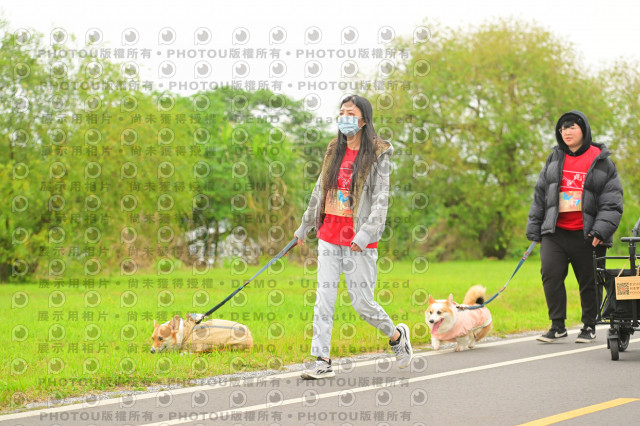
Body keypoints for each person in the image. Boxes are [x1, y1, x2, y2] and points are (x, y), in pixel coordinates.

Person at [293, 94, 412, 379]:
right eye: (342, 112)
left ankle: (396, 336)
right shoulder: (334, 149)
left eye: (351, 113)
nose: (344, 117)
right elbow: (319, 191)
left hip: (360, 241)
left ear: (363, 120)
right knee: (324, 299)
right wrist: (305, 226)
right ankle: (322, 360)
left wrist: (365, 234)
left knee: (362, 303)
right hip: (329, 235)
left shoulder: (378, 154)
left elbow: (381, 202)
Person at [526, 110, 623, 343]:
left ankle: (589, 325)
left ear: (584, 129)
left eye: (571, 127)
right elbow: (540, 195)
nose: (566, 132)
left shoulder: (602, 161)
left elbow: (612, 201)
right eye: (562, 128)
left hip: (588, 234)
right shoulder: (554, 158)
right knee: (550, 274)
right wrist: (535, 228)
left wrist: (600, 230)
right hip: (556, 232)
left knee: (589, 281)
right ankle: (557, 325)